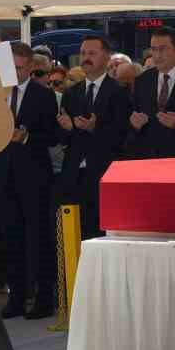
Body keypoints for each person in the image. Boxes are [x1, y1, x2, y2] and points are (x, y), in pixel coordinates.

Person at [0, 42, 57, 319]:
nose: (14, 73)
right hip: (4, 174)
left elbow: (53, 135)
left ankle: (43, 298)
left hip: (34, 176)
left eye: (19, 67)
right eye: (10, 67)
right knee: (10, 238)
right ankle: (16, 298)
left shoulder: (43, 95)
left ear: (30, 67)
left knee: (38, 238)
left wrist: (27, 137)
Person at [57, 35, 131, 246]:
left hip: (103, 173)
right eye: (82, 53)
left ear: (106, 57)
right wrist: (68, 128)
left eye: (92, 53)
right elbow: (63, 138)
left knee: (100, 234)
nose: (86, 58)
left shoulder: (119, 92)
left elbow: (122, 135)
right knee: (74, 235)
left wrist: (95, 128)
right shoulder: (71, 93)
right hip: (74, 174)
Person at [127, 27, 175, 160]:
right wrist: (135, 125)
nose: (157, 55)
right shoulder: (142, 80)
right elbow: (133, 122)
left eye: (162, 49)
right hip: (149, 161)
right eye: (153, 49)